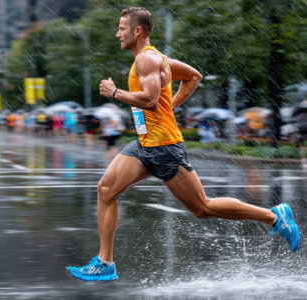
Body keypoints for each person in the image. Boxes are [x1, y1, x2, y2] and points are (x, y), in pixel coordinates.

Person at [67, 7, 300, 282]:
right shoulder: (160, 59)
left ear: (137, 31)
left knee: (203, 207)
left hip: (164, 148)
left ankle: (274, 217)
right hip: (144, 146)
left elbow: (151, 100)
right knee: (105, 189)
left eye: (122, 28)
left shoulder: (147, 60)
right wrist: (171, 107)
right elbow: (194, 77)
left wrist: (116, 92)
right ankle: (105, 262)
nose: (118, 33)